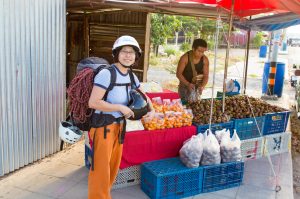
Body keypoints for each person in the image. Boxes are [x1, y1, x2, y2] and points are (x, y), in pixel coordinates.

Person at [87, 35, 151, 199]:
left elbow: (143, 94)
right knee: (100, 170)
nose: (128, 55)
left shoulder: (131, 76)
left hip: (120, 127)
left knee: (113, 166)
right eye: (124, 51)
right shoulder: (107, 74)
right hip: (103, 127)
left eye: (132, 52)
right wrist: (120, 107)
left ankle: (104, 195)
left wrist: (151, 109)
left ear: (136, 56)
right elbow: (93, 102)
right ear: (117, 53)